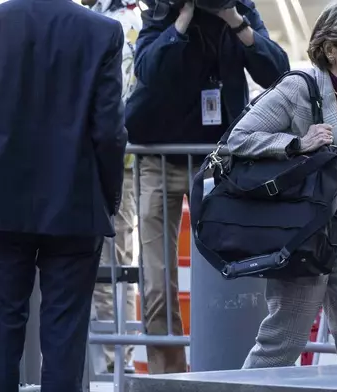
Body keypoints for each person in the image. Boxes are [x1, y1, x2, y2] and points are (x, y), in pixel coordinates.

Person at [125, 0, 289, 374]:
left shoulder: (238, 10)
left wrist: (234, 21)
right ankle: (170, 378)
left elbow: (277, 71)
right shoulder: (164, 10)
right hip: (159, 159)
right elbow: (149, 71)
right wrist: (181, 21)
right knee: (156, 283)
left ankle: (228, 371)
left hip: (217, 161)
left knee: (229, 272)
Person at [225, 0, 337, 368]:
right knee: (284, 341)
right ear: (331, 49)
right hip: (306, 230)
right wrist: (296, 144)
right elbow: (238, 139)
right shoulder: (297, 88)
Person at [0, 0, 127, 389]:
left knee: (2, 322)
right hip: (73, 198)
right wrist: (109, 197)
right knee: (65, 330)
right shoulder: (100, 31)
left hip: (3, 197)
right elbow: (109, 131)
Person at [82, 0, 142, 372]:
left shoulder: (130, 20)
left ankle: (118, 358)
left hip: (117, 161)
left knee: (115, 262)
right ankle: (112, 357)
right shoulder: (97, 18)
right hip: (103, 157)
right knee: (108, 263)